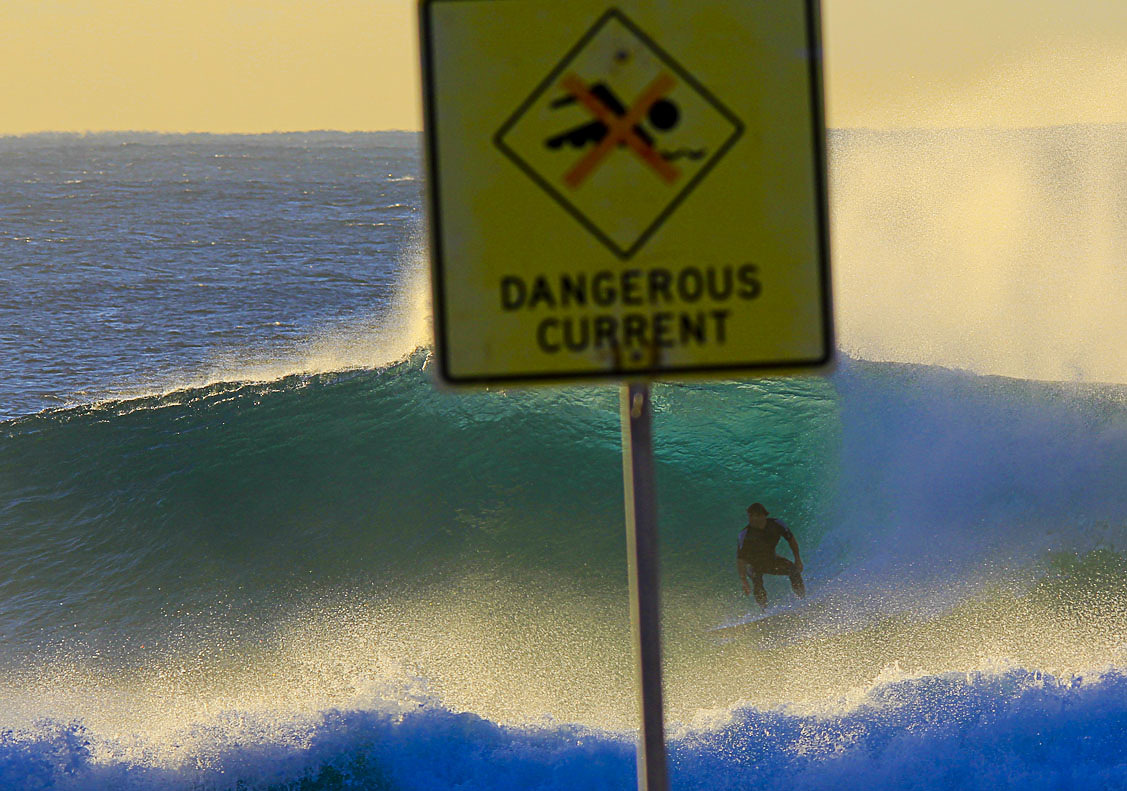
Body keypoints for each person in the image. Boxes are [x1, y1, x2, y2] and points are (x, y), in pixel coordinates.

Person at [737, 503, 805, 609]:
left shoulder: (777, 524)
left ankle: (802, 600)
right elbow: (740, 559)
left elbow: (791, 540)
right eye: (749, 516)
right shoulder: (745, 534)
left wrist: (798, 559)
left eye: (752, 516)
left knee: (793, 570)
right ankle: (764, 610)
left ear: (761, 516)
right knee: (757, 581)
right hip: (753, 565)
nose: (750, 519)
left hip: (771, 560)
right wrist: (744, 580)